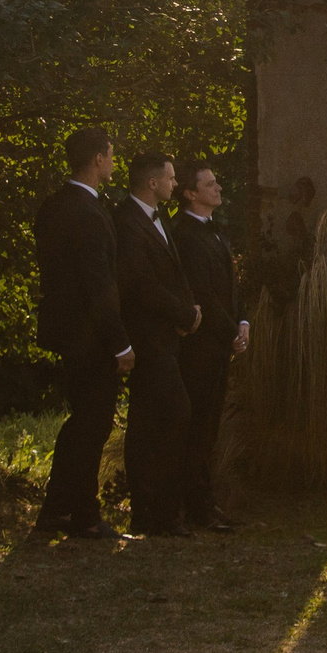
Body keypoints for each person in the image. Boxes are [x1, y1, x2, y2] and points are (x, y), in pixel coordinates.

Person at [32, 127, 132, 540]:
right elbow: (97, 283)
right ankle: (84, 515)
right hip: (90, 335)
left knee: (83, 422)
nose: (114, 162)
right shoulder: (87, 212)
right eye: (111, 154)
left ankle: (59, 509)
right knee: (92, 424)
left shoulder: (55, 205)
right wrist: (120, 343)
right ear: (97, 159)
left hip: (67, 331)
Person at [113, 151, 201, 537]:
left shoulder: (159, 217)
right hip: (146, 339)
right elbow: (141, 285)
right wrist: (183, 314)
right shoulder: (127, 222)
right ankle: (153, 510)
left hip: (166, 336)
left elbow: (173, 274)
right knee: (170, 415)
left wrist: (190, 310)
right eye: (170, 178)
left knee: (152, 420)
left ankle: (154, 513)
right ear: (152, 183)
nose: (175, 184)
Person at [170, 160, 249, 532]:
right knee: (198, 425)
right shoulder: (185, 236)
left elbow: (231, 286)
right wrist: (231, 331)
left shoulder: (216, 232)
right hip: (199, 347)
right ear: (190, 194)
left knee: (209, 426)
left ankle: (205, 502)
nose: (218, 188)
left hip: (220, 343)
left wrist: (243, 322)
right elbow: (202, 293)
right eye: (210, 184)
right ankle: (195, 506)